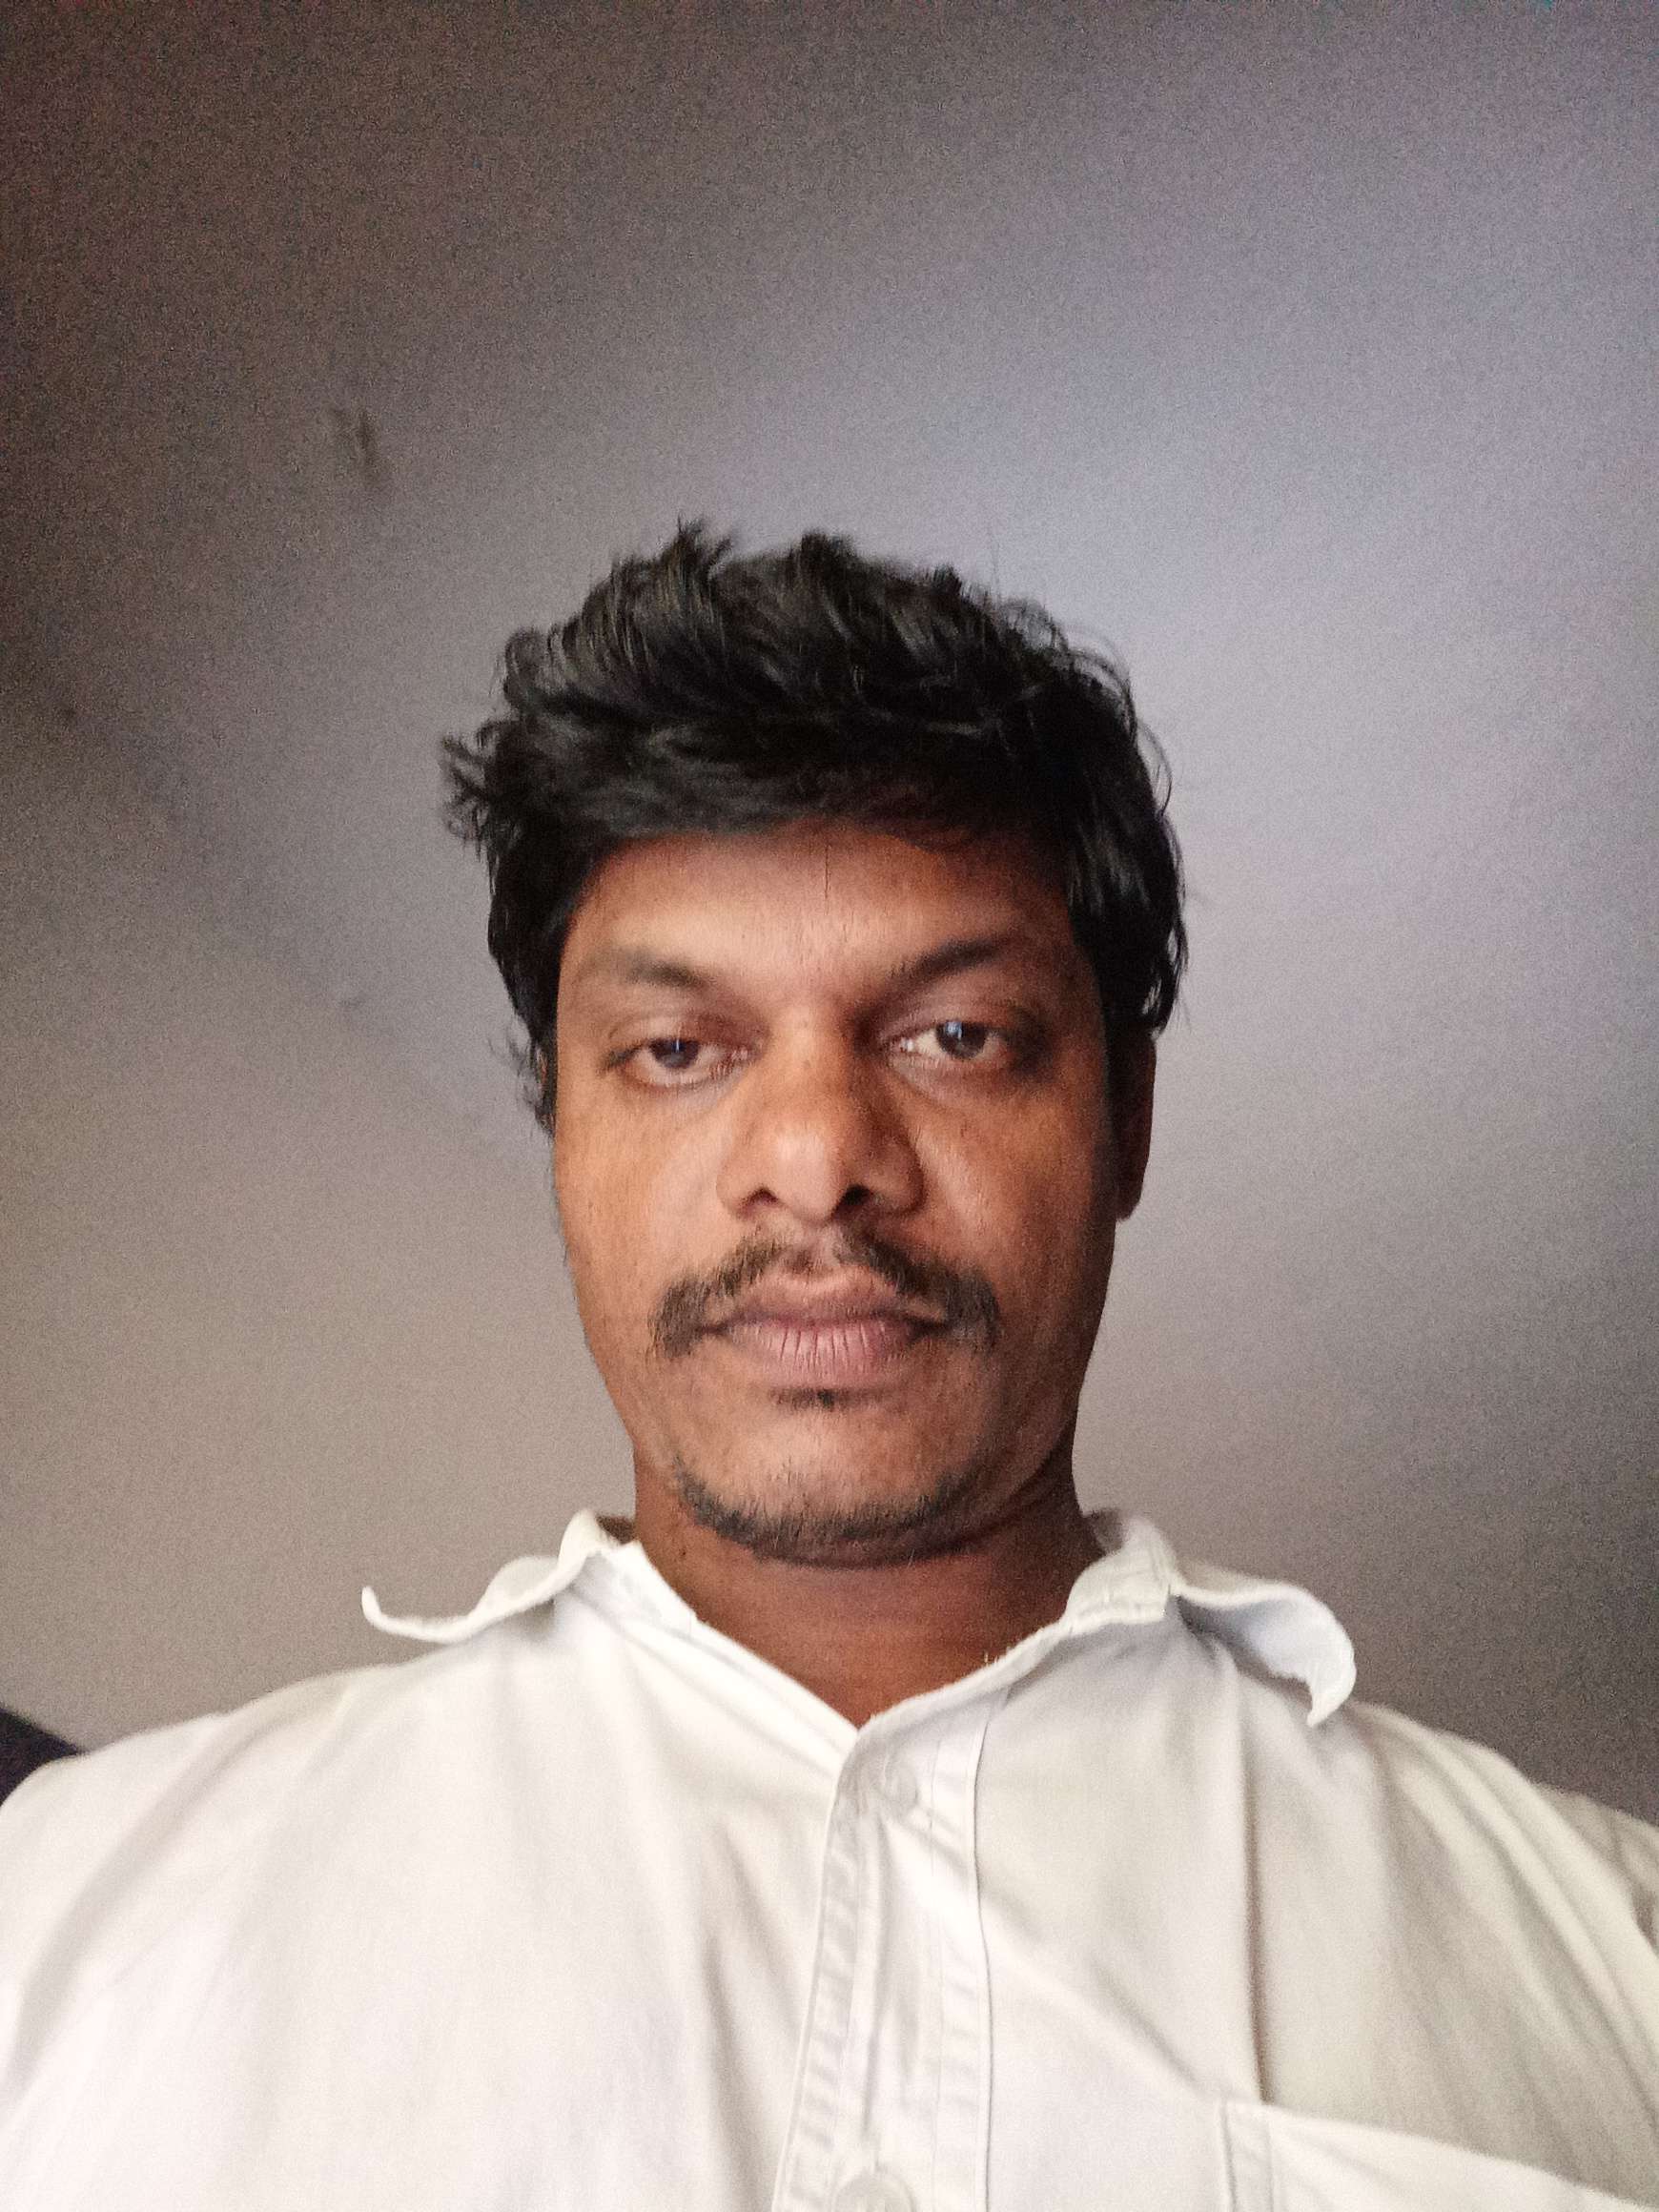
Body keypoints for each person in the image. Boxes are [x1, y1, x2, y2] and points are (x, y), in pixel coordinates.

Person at [1, 525, 1655, 2212]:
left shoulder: (1618, 1963)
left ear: (1126, 1123)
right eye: (677, 1049)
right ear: (563, 1134)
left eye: (957, 1036)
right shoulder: (59, 1919)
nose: (812, 1159)